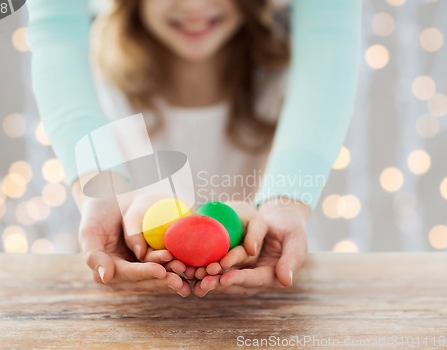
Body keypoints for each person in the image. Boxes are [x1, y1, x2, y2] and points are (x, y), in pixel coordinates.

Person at [27, 0, 362, 297]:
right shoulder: (104, 91)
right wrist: (104, 194)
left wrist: (284, 206)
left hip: (269, 298)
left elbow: (330, 25)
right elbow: (54, 26)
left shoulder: (283, 87)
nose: (193, 5)